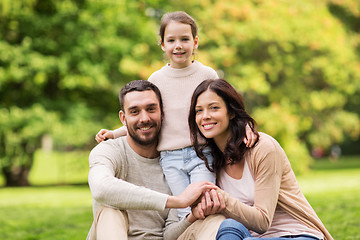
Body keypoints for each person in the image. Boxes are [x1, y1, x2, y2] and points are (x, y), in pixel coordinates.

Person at [95, 11, 257, 218]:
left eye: (184, 39)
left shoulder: (207, 75)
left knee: (205, 204)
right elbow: (149, 116)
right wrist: (115, 133)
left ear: (195, 42)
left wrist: (246, 126)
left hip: (202, 154)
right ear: (163, 44)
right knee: (184, 212)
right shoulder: (156, 79)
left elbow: (228, 108)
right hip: (170, 158)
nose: (178, 45)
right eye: (171, 40)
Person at [188, 79, 333, 240]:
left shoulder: (263, 148)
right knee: (228, 227)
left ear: (231, 112)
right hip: (248, 237)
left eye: (214, 108)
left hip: (296, 235)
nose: (205, 116)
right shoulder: (209, 160)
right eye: (198, 111)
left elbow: (263, 221)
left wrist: (222, 198)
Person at [87, 80, 225, 240]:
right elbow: (101, 188)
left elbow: (170, 234)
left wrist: (191, 216)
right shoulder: (109, 150)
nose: (144, 118)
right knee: (109, 210)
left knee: (215, 220)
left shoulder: (176, 163)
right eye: (134, 112)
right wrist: (176, 201)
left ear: (162, 113)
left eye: (151, 109)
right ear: (123, 118)